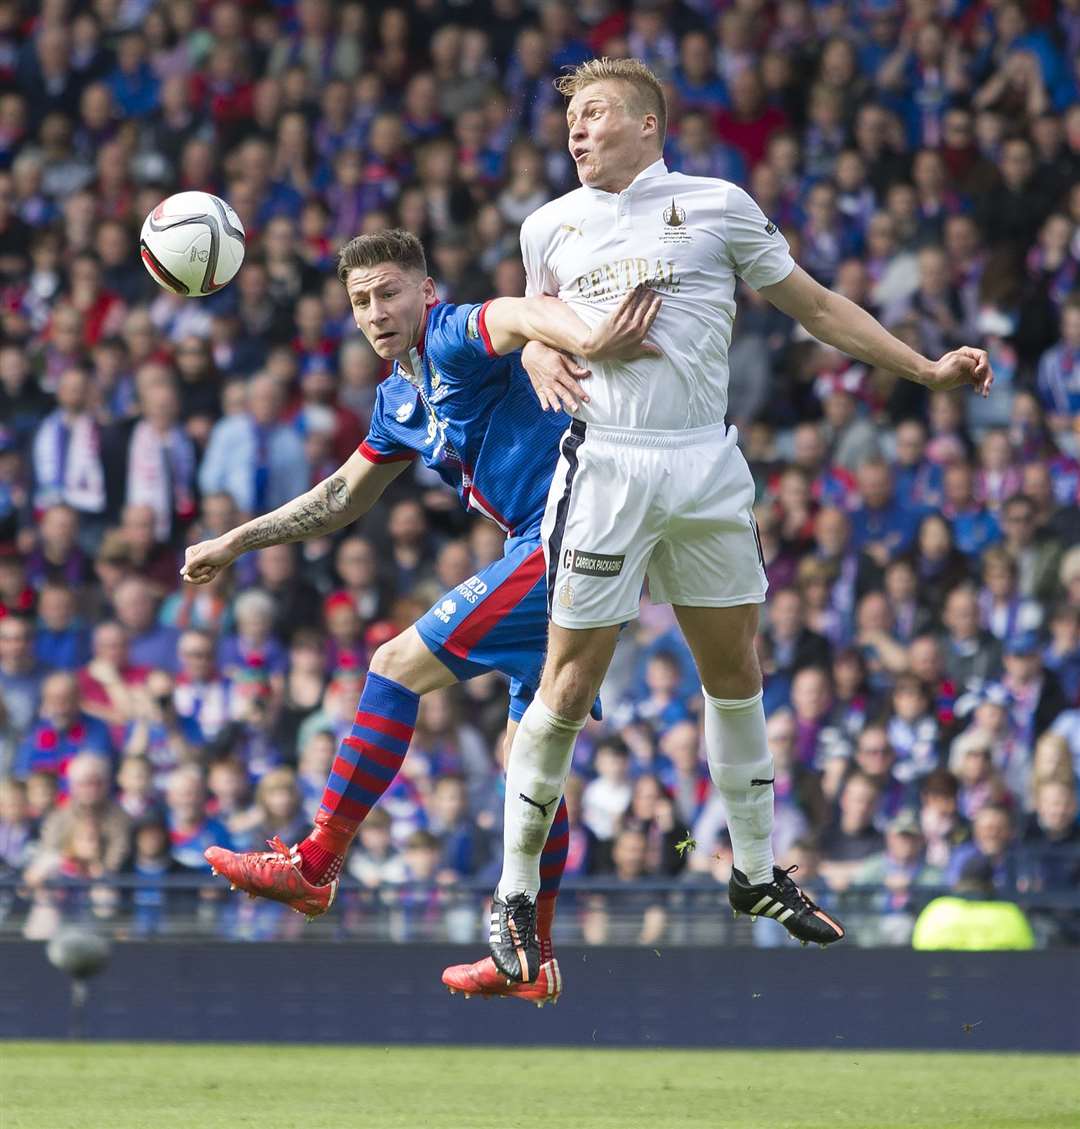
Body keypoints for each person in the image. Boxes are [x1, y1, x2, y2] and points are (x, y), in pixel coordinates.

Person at [488, 56, 993, 984]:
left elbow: (814, 304)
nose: (577, 129)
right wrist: (532, 359)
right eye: (570, 118)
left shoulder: (716, 204)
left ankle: (757, 873)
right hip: (609, 463)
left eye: (596, 113)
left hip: (706, 462)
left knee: (737, 672)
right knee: (567, 682)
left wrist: (922, 369)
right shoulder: (548, 225)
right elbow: (528, 320)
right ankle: (514, 890)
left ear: (649, 124)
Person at [180, 228, 657, 1004]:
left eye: (389, 292)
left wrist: (547, 332)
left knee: (393, 663)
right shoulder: (397, 399)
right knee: (530, 758)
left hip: (571, 533)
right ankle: (529, 957)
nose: (375, 311)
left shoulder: (450, 335)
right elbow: (341, 496)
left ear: (424, 291)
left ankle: (315, 862)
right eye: (361, 300)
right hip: (545, 545)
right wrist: (237, 539)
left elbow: (506, 314)